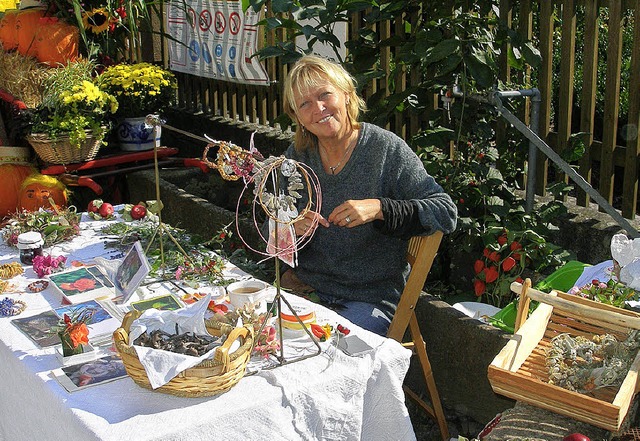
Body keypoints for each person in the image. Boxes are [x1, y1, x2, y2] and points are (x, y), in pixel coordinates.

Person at [279, 55, 457, 336]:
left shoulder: (384, 150)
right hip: (308, 289)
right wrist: (290, 228)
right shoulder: (298, 157)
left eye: (325, 94)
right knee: (258, 335)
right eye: (305, 103)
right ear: (297, 117)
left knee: (324, 354)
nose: (319, 108)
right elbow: (273, 221)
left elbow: (445, 211)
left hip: (368, 298)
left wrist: (379, 208)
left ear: (347, 96)